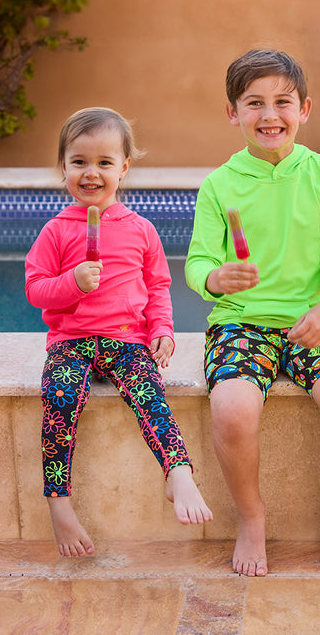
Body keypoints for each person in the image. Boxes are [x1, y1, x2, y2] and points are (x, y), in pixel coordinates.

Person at [185, 49, 320, 577]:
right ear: (233, 113)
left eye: (282, 102)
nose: (270, 115)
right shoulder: (218, 185)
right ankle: (251, 516)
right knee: (233, 411)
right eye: (254, 104)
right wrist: (215, 278)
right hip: (241, 322)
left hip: (312, 320)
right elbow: (198, 260)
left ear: (304, 108)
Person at [25, 107, 212, 558]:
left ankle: (178, 473)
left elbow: (158, 286)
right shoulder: (55, 231)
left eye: (105, 162)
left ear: (124, 168)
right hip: (70, 341)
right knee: (60, 399)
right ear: (64, 167)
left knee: (150, 392)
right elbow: (35, 289)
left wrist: (163, 329)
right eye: (79, 162)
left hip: (127, 339)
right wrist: (72, 283)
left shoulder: (141, 230)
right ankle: (59, 502)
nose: (91, 173)